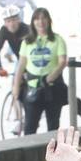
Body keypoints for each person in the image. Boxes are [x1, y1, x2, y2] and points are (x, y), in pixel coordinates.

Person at [11, 7, 69, 136]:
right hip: (32, 89)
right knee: (30, 126)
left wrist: (52, 76)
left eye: (43, 18)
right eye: (37, 19)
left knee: (53, 126)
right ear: (33, 22)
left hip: (53, 88)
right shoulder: (27, 42)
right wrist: (16, 86)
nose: (40, 22)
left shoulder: (58, 40)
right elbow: (21, 65)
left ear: (49, 21)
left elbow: (62, 61)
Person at [0, 5, 34, 77]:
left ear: (19, 19)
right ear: (5, 23)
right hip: (20, 60)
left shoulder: (27, 29)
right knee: (15, 85)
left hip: (33, 61)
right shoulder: (4, 30)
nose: (11, 24)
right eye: (8, 21)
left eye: (14, 20)